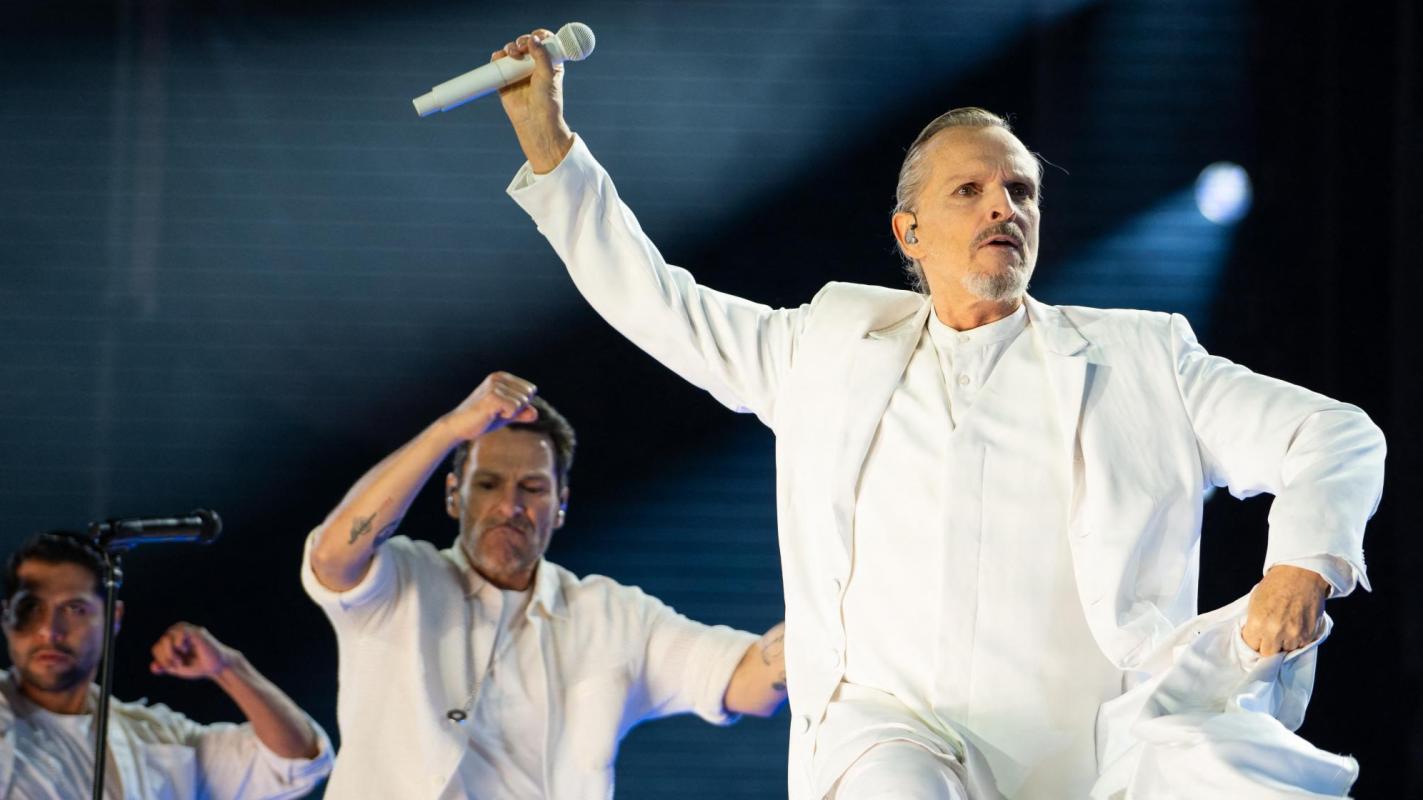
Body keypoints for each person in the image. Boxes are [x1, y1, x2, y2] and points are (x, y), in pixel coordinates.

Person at [490, 30, 1387, 800]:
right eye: (970, 191)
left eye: (1021, 191)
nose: (1004, 205)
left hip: (1081, 755)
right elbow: (654, 302)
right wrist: (551, 149)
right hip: (889, 737)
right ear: (908, 232)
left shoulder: (1141, 359)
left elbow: (1331, 432)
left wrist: (1301, 563)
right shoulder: (824, 350)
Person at [302, 373, 787, 799]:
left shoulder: (613, 617)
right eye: (488, 484)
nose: (510, 505)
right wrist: (450, 430)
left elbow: (748, 684)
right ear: (453, 495)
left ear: (560, 505)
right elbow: (332, 555)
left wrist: (824, 616)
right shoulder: (399, 584)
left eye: (532, 488)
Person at [0, 531, 333, 799]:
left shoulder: (157, 736)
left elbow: (297, 760)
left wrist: (227, 667)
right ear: (6, 616)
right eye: (30, 608)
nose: (49, 630)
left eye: (74, 609)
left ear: (114, 616)